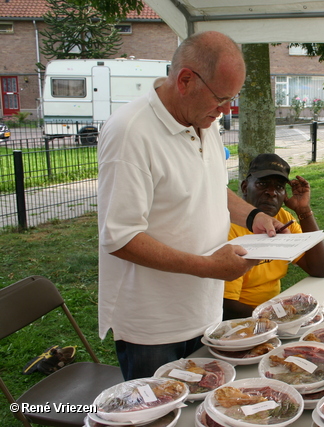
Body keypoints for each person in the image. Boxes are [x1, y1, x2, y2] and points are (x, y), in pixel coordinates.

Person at [97, 31, 287, 380]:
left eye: (232, 99)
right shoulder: (130, 133)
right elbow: (120, 238)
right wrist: (207, 266)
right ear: (185, 80)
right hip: (154, 327)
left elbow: (211, 188)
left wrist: (253, 216)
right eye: (221, 98)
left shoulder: (203, 120)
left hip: (204, 311)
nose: (226, 110)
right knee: (158, 414)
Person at [223, 154, 324, 320]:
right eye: (262, 184)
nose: (271, 193)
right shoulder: (228, 228)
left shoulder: (283, 218)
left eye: (279, 187)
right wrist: (276, 320)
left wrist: (303, 211)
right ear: (245, 187)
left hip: (272, 311)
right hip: (243, 319)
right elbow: (227, 305)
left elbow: (319, 269)